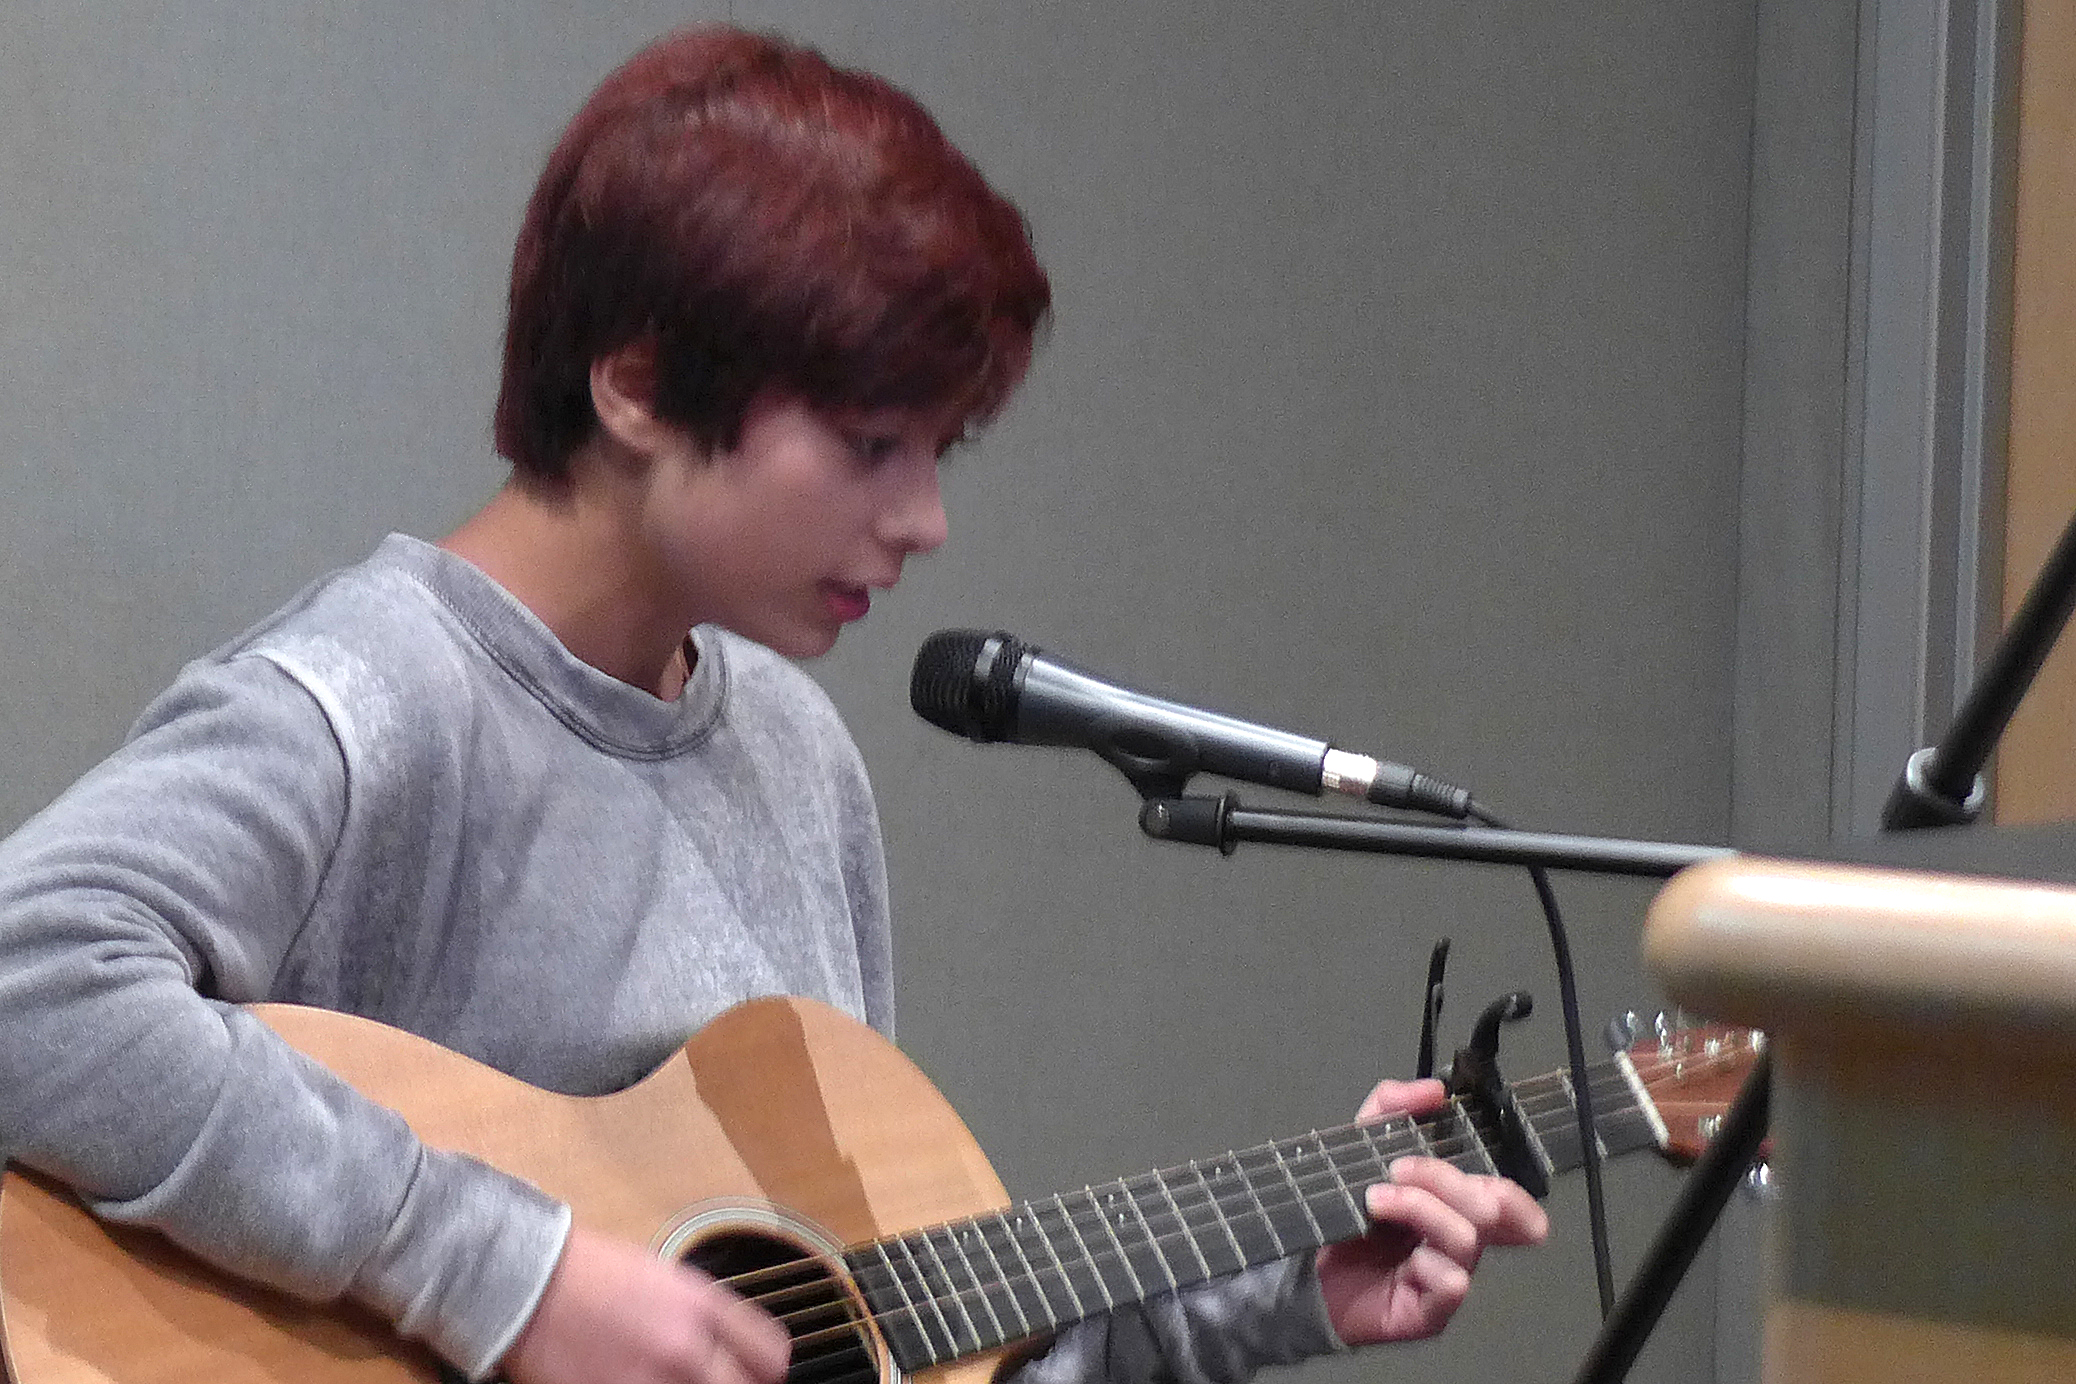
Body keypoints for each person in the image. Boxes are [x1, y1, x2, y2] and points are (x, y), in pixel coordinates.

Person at [0, 25, 1546, 1384]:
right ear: (636, 385)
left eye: (943, 449)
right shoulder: (375, 699)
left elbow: (872, 1341)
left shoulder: (797, 757)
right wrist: (507, 1275)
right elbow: (32, 979)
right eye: (873, 445)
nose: (926, 519)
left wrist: (1274, 1298)